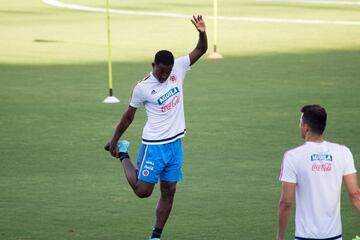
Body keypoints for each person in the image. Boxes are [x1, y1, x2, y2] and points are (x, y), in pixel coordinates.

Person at [107, 15, 207, 240]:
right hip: (154, 145)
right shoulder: (142, 88)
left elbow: (201, 49)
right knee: (143, 191)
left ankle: (155, 236)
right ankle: (124, 154)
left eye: (168, 71)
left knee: (169, 191)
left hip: (175, 144)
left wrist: (202, 32)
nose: (165, 75)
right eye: (161, 71)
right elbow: (128, 117)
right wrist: (114, 140)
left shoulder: (178, 68)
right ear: (153, 65)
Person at [277, 104, 360, 240]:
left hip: (305, 236)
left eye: (300, 123)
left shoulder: (293, 156)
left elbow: (286, 202)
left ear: (307, 127)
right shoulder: (343, 152)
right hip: (334, 236)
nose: (299, 126)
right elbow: (355, 195)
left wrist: (280, 237)